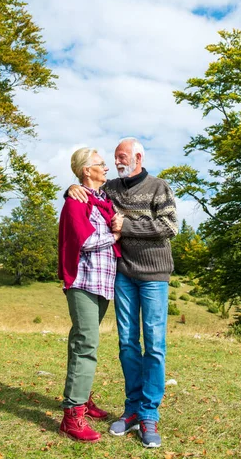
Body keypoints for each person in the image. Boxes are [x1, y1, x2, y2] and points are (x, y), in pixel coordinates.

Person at [67, 137, 178, 448]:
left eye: (122, 156)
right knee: (128, 343)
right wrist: (70, 189)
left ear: (138, 157)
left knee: (154, 344)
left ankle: (149, 414)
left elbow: (170, 226)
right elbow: (87, 193)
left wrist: (126, 226)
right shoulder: (111, 189)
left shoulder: (159, 187)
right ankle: (131, 410)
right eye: (114, 157)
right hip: (124, 275)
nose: (116, 162)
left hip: (155, 275)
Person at [58, 147, 122, 443]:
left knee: (82, 341)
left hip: (102, 283)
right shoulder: (76, 200)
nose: (106, 168)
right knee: (87, 344)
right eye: (101, 164)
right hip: (83, 282)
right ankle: (72, 416)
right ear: (87, 170)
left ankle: (80, 398)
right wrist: (116, 235)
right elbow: (85, 241)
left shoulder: (102, 200)